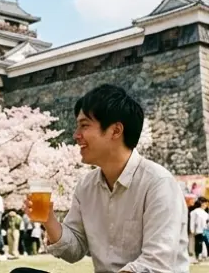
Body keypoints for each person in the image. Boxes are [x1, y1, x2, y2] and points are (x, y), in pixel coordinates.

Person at [11, 85, 188, 273]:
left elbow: (155, 264)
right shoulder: (86, 186)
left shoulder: (158, 183)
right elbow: (74, 249)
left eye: (84, 125)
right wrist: (49, 219)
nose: (76, 135)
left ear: (116, 130)